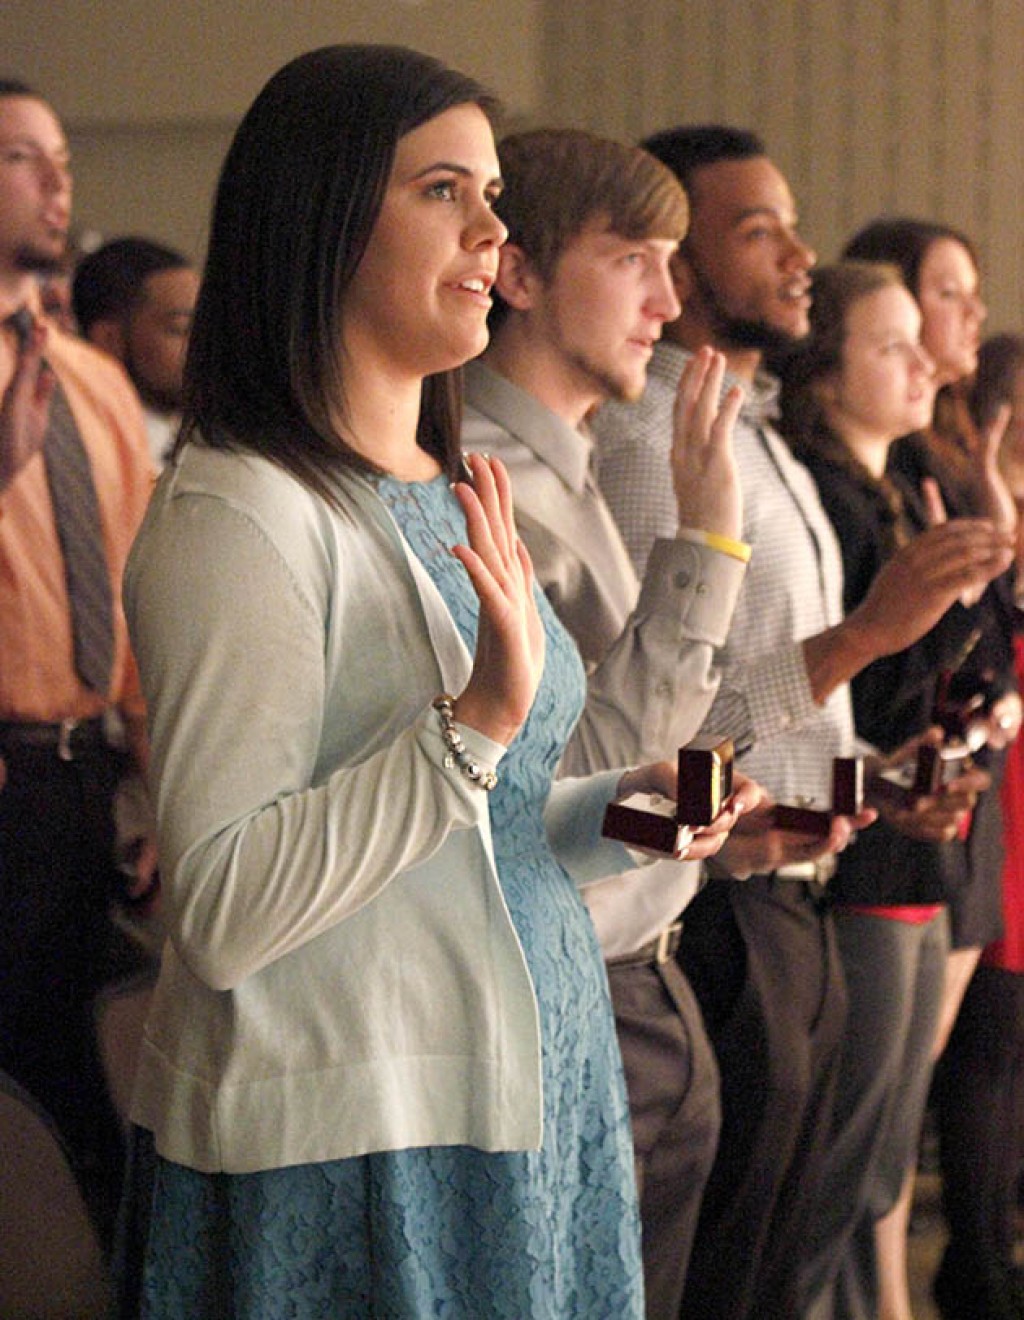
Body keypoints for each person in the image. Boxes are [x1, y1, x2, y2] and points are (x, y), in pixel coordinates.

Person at [117, 44, 692, 1317]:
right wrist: (478, 718)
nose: (494, 229)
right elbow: (222, 909)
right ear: (319, 218)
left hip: (533, 1089)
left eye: (492, 194)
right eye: (445, 191)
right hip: (363, 1139)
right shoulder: (239, 513)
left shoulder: (442, 492)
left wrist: (634, 814)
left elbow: (476, 828)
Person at [593, 125, 1014, 1320]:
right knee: (741, 1264)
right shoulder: (643, 445)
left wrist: (873, 787)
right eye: (757, 229)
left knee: (803, 1231)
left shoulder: (751, 433)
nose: (798, 254)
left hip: (792, 874)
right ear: (669, 270)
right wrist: (874, 634)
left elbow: (782, 727)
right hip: (711, 903)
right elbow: (653, 739)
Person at [460, 126, 763, 1318]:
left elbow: (655, 750)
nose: (667, 298)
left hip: (654, 958)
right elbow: (570, 775)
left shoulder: (572, 462)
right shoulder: (479, 478)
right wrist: (708, 544)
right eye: (634, 255)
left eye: (673, 261)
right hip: (579, 974)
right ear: (522, 274)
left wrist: (718, 804)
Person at [774, 260, 993, 1320]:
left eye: (922, 338)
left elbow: (952, 679)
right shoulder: (821, 493)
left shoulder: (904, 490)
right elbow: (844, 692)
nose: (920, 363)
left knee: (880, 1156)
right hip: (838, 845)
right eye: (888, 344)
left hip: (904, 826)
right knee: (836, 1169)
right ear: (824, 375)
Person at [844, 217, 1021, 1320]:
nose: (965, 316)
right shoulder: (902, 464)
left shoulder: (947, 454)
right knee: (886, 1118)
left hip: (961, 781)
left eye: (964, 296)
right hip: (882, 807)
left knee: (918, 1086)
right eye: (942, 294)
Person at [0, 77, 156, 1249]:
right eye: (20, 157)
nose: (59, 181)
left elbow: (142, 601)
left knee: (80, 1089)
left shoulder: (95, 381)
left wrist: (159, 782)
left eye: (59, 156)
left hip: (89, 775)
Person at [930, 331, 1024, 1320]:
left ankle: (992, 1251)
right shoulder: (968, 499)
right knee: (990, 1045)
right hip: (995, 788)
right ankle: (978, 1263)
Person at [72, 237, 198, 470]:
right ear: (110, 340)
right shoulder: (84, 451)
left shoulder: (202, 441)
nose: (200, 347)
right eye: (181, 329)